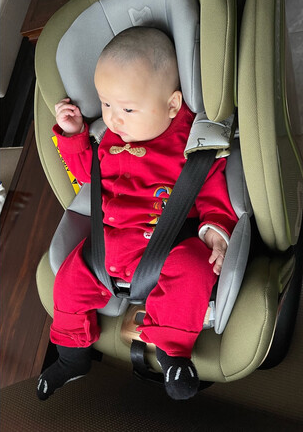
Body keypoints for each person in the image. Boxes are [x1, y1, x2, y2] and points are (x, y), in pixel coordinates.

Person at [37, 26, 237, 401]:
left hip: (165, 247)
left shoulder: (192, 142)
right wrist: (74, 134)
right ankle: (71, 357)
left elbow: (212, 191)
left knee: (195, 268)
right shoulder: (108, 140)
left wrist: (216, 231)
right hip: (108, 250)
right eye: (106, 105)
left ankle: (173, 354)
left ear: (172, 105)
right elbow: (88, 179)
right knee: (66, 281)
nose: (115, 119)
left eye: (128, 109)